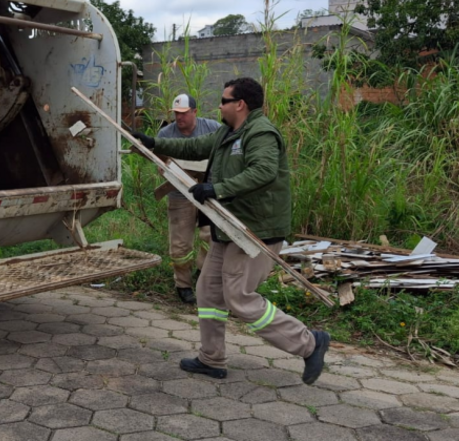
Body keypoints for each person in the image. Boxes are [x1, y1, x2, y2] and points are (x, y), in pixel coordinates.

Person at [133, 78, 330, 385]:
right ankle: (211, 359)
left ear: (240, 104)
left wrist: (217, 189)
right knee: (208, 291)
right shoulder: (227, 131)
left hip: (255, 229)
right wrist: (153, 142)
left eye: (224, 100)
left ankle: (309, 343)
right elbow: (194, 146)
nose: (219, 105)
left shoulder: (261, 133)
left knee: (238, 296)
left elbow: (263, 171)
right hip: (228, 226)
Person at [156, 94, 221, 304]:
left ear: (195, 111)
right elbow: (159, 164)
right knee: (180, 245)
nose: (179, 118)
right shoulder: (166, 133)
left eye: (184, 114)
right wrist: (166, 170)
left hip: (207, 194)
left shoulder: (212, 128)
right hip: (179, 195)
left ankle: (204, 275)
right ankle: (183, 285)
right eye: (176, 114)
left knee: (210, 238)